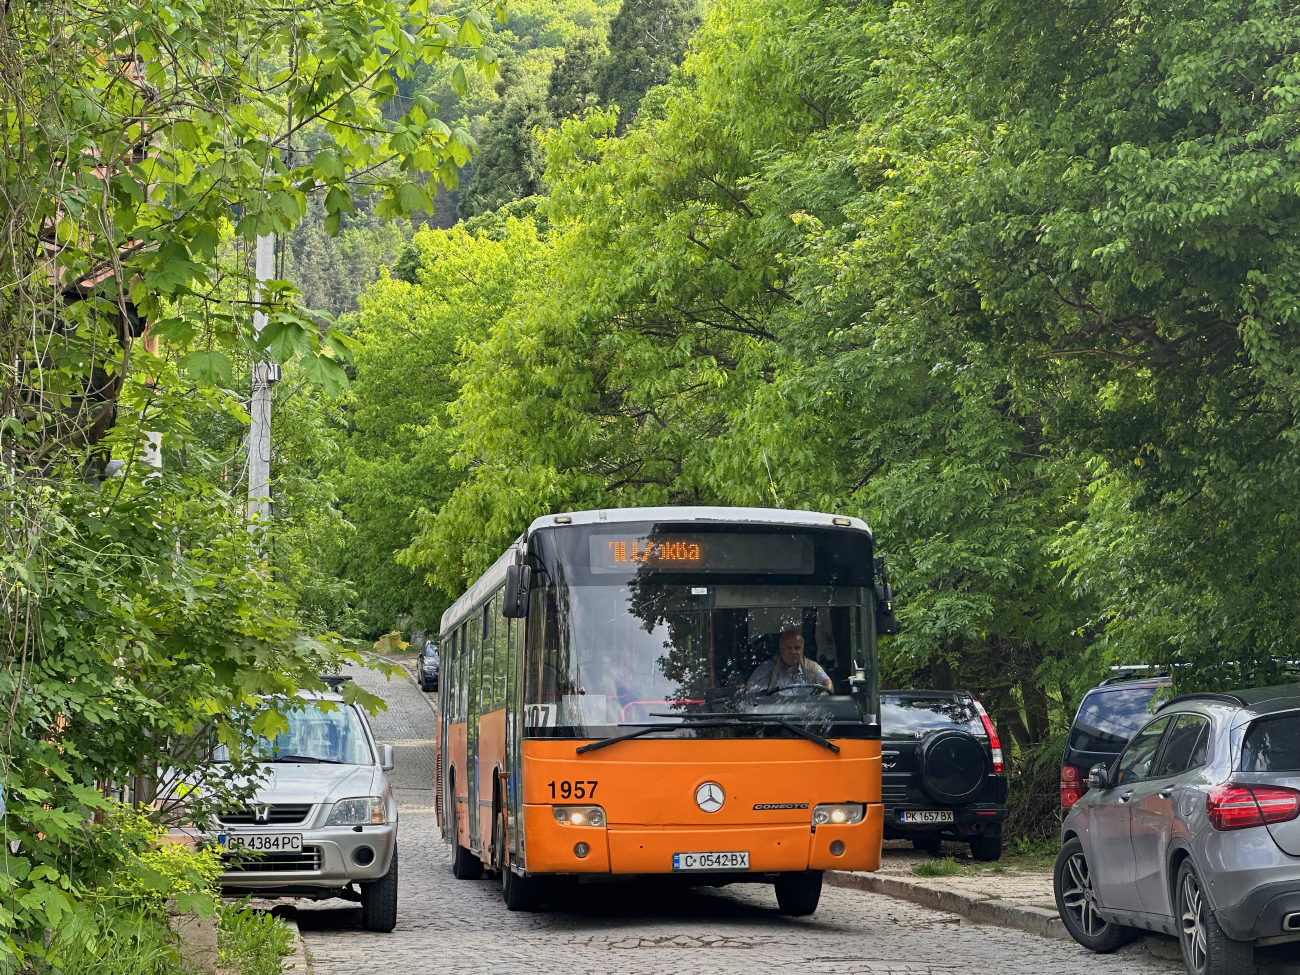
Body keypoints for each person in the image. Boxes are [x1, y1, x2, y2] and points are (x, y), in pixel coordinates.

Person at [746, 627, 833, 693]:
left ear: (803, 649)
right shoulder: (767, 668)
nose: (793, 652)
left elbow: (827, 683)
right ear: (780, 649)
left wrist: (824, 695)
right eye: (788, 648)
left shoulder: (811, 666)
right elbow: (754, 695)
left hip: (806, 714)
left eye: (797, 648)